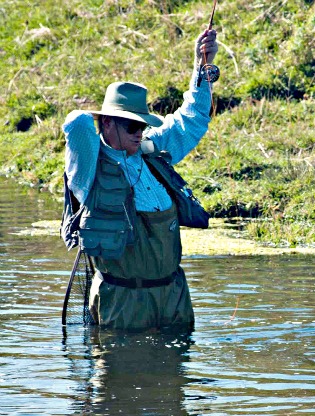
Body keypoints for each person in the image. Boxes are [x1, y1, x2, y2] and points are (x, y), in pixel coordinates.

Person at [61, 29, 219, 330]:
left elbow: (192, 119)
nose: (139, 133)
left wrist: (202, 66)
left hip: (173, 298)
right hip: (122, 304)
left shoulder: (152, 150)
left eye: (142, 125)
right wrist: (103, 117)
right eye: (131, 125)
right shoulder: (88, 172)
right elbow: (77, 122)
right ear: (106, 123)